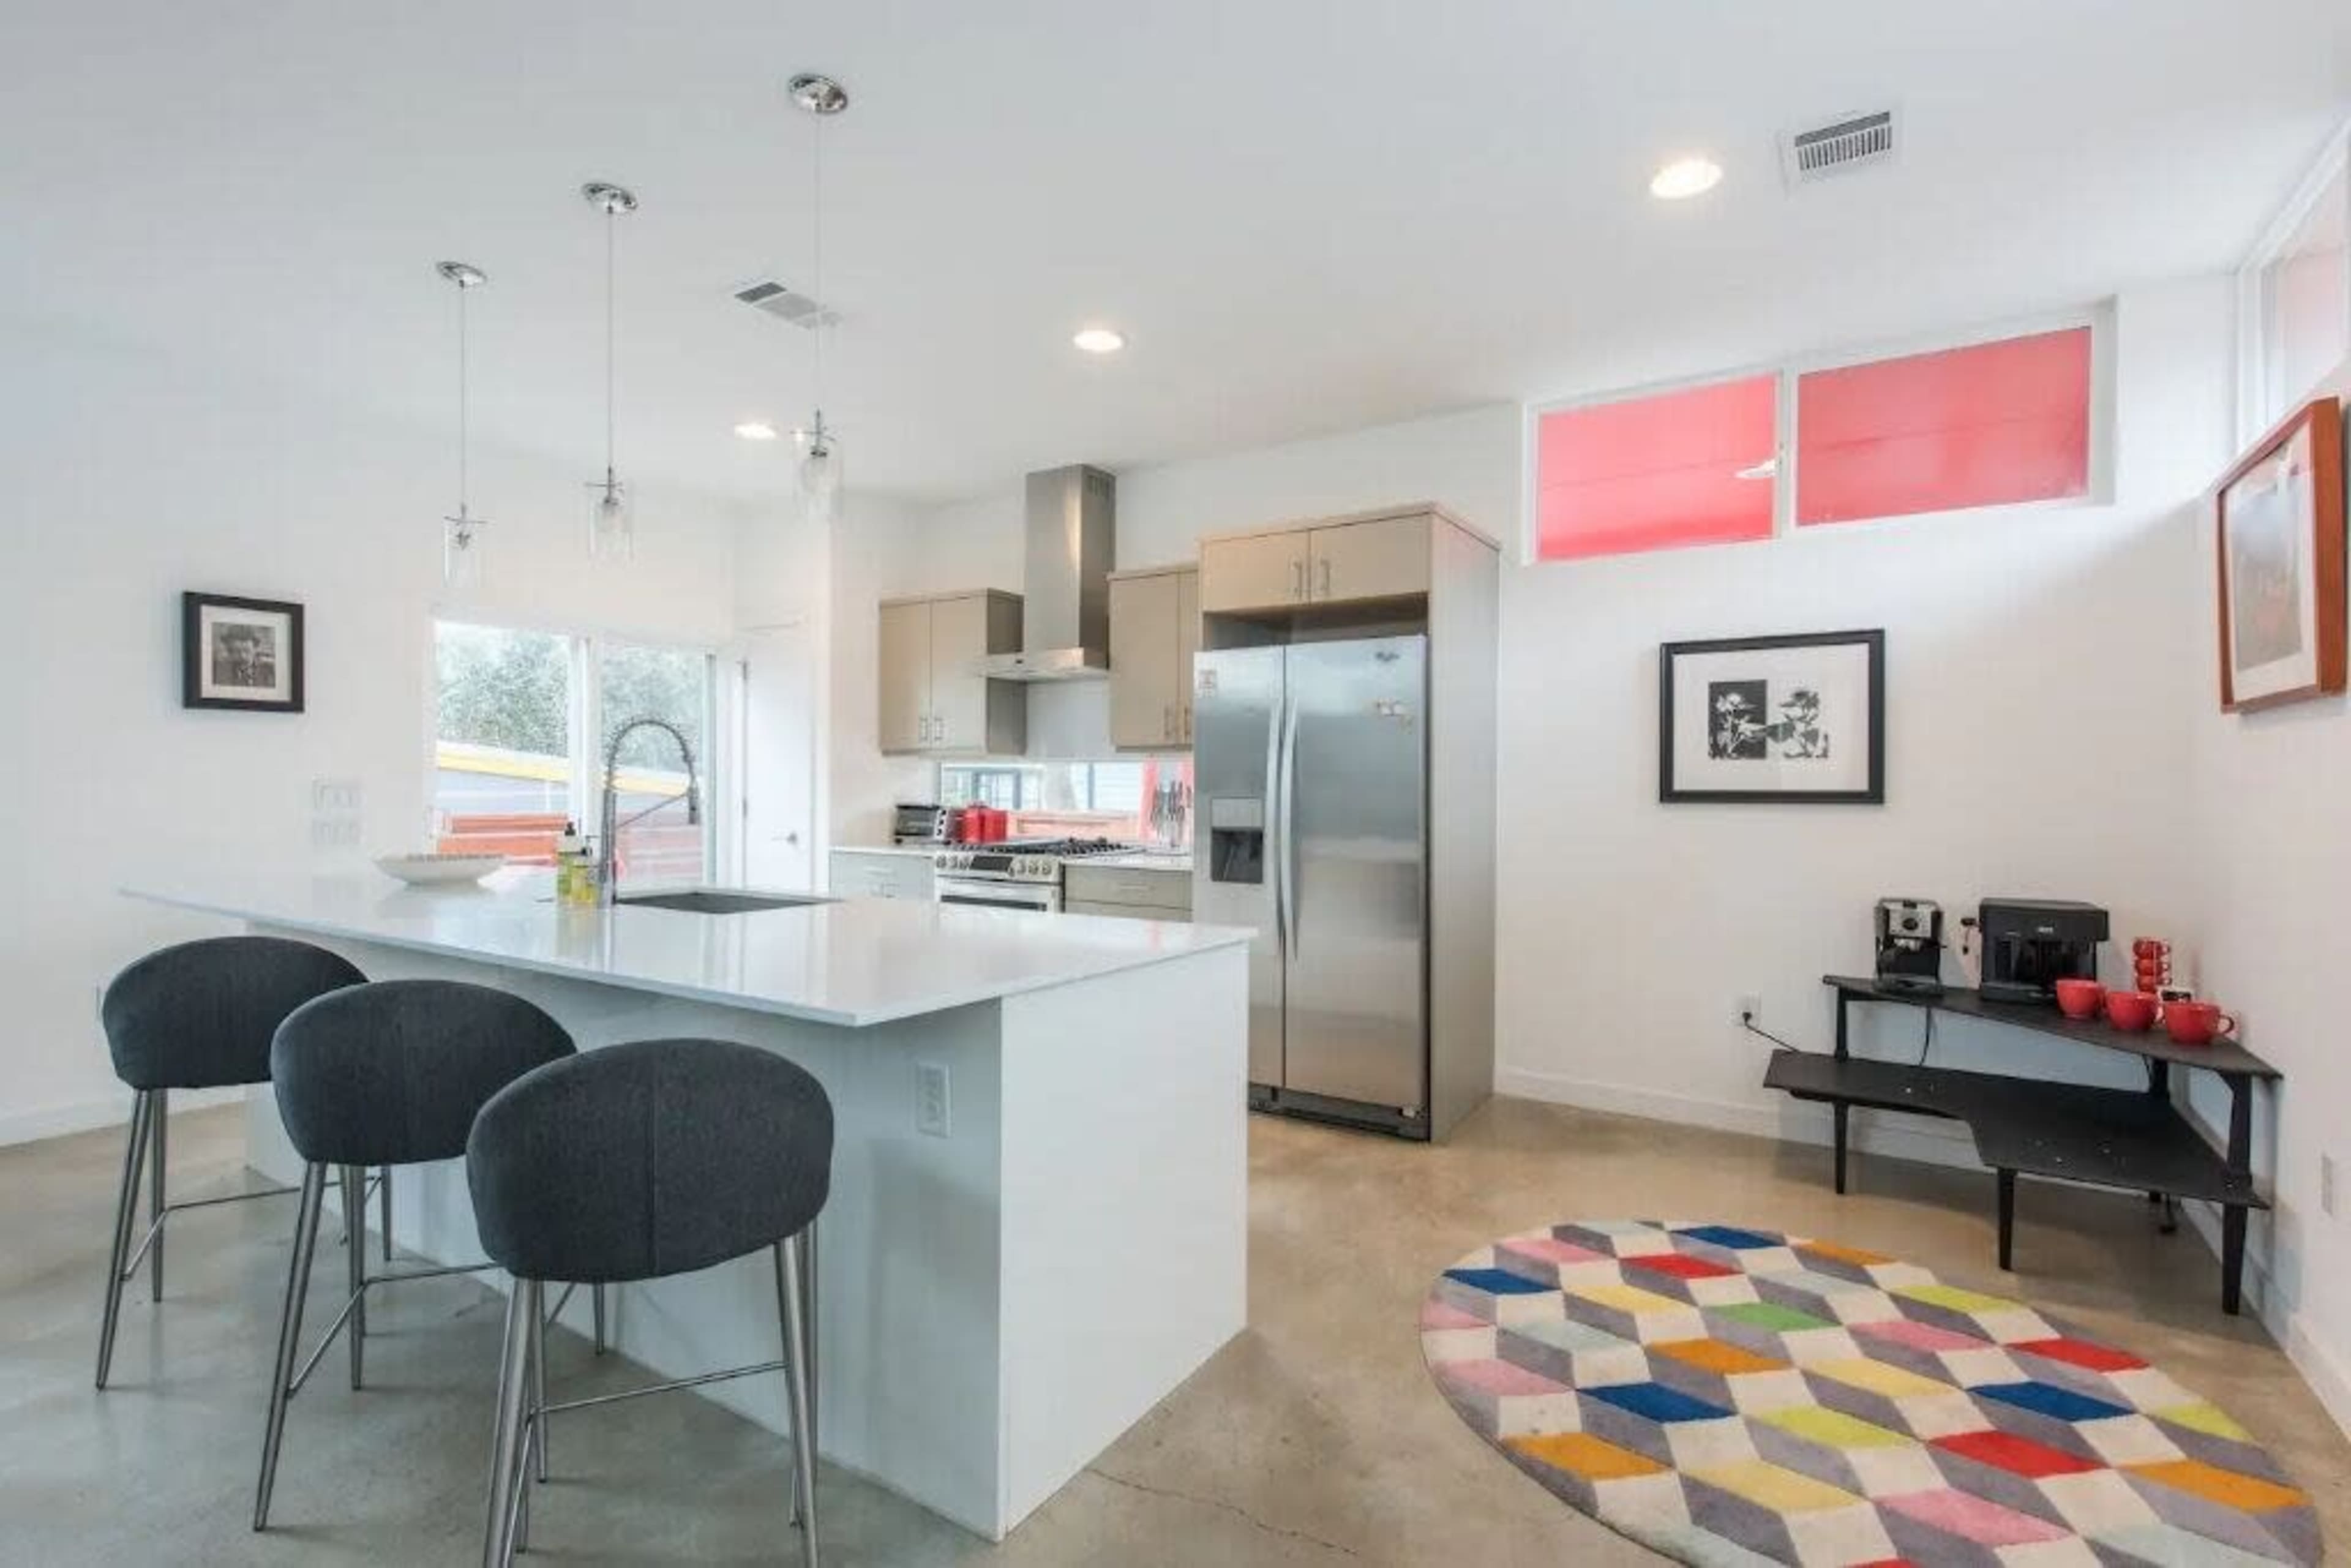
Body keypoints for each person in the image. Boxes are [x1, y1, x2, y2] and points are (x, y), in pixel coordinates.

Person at [214, 624, 275, 689]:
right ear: (230, 651)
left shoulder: (269, 670)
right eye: (237, 651)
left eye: (247, 651)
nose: (243, 656)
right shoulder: (221, 670)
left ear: (255, 649)